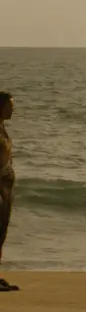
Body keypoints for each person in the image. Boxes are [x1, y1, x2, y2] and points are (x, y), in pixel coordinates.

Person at [0, 92, 14, 264]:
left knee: (2, 231)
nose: (12, 110)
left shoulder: (3, 130)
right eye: (9, 106)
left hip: (7, 187)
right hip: (0, 188)